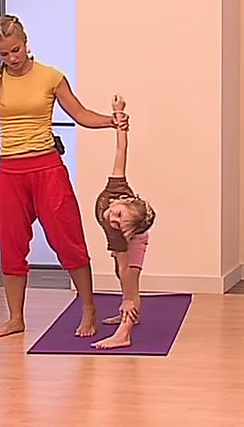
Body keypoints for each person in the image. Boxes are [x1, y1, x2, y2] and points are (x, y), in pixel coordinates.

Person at [0, 14, 129, 338]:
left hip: (47, 170)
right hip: (10, 173)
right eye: (3, 53)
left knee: (68, 240)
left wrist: (110, 121)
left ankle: (89, 308)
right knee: (10, 244)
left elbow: (80, 114)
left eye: (16, 49)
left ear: (25, 42)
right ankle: (16, 318)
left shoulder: (51, 77)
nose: (12, 58)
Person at [90, 95, 156, 350]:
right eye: (118, 215)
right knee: (120, 272)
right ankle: (127, 314)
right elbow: (121, 149)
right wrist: (118, 114)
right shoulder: (118, 186)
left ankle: (124, 332)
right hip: (129, 237)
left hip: (134, 243)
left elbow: (126, 268)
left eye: (118, 223)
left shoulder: (121, 235)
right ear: (125, 200)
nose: (112, 218)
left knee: (130, 282)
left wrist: (128, 298)